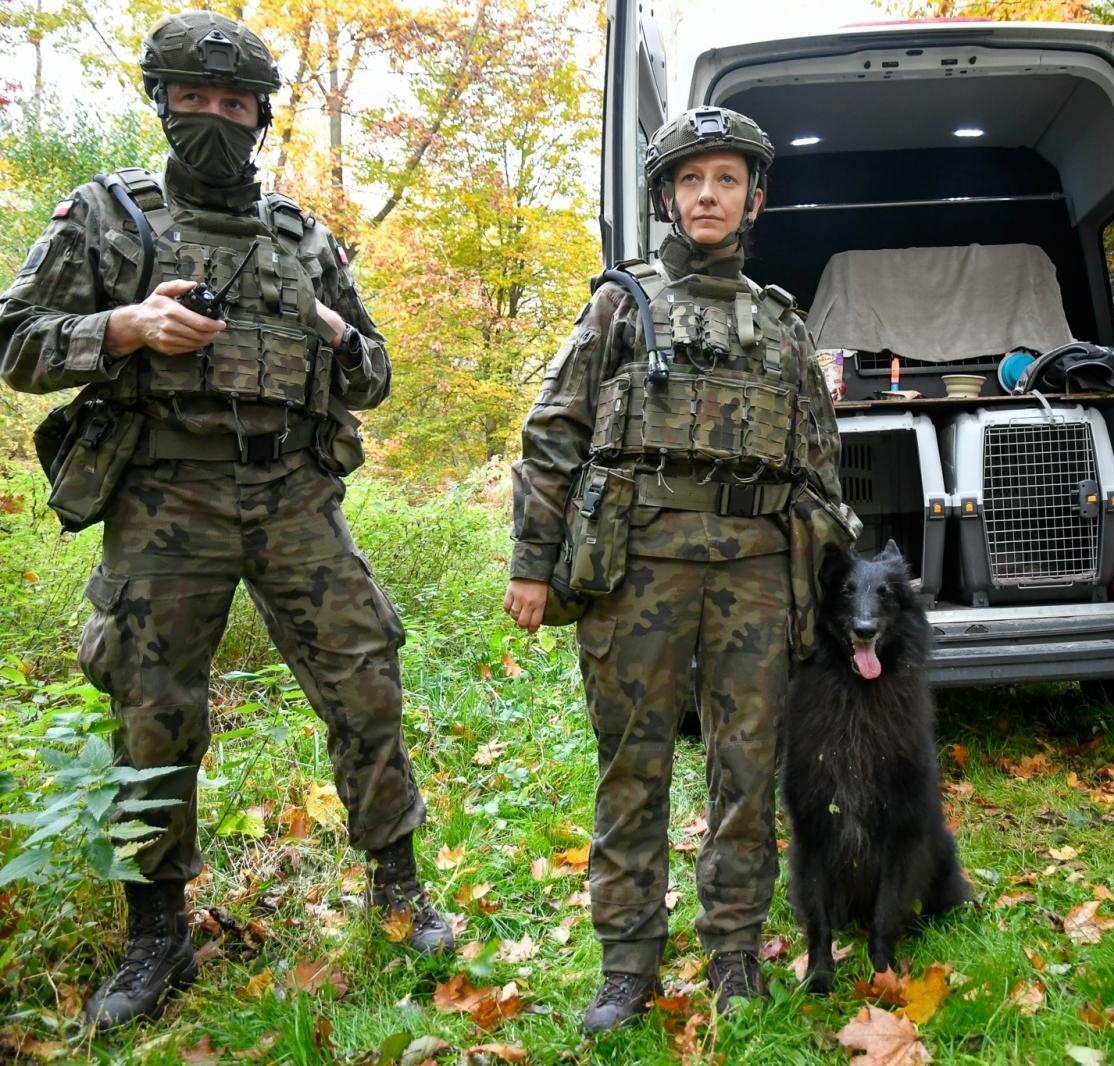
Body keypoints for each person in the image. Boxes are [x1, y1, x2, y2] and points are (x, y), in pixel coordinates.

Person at [0, 11, 453, 1030]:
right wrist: (123, 326)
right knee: (153, 713)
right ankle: (156, 931)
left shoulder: (303, 238)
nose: (212, 117)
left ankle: (397, 887)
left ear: (259, 116)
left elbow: (374, 376)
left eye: (232, 103)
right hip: (167, 499)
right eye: (192, 100)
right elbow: (13, 340)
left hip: (294, 495)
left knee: (364, 679)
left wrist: (340, 336)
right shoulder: (106, 219)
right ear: (161, 102)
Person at [505, 106, 849, 1032]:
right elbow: (553, 438)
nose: (708, 195)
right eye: (692, 180)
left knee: (747, 768)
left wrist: (827, 591)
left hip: (755, 578)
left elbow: (820, 469)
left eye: (727, 179)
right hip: (638, 575)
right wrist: (532, 565)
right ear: (667, 194)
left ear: (754, 198)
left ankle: (734, 947)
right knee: (634, 765)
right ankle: (627, 964)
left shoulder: (782, 326)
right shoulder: (624, 305)